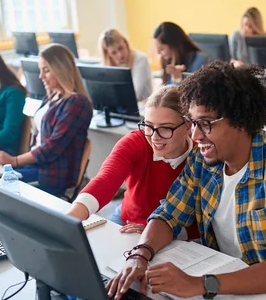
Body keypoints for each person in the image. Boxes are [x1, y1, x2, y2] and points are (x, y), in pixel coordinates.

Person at [105, 61, 266, 300]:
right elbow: (169, 215)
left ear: (240, 121)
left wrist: (201, 284)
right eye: (193, 123)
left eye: (206, 124)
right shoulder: (203, 159)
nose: (196, 136)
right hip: (224, 293)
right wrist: (140, 254)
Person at [67, 85, 197, 239]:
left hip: (175, 232)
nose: (154, 137)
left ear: (188, 126)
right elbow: (105, 180)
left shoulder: (200, 155)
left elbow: (199, 219)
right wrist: (69, 221)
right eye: (148, 125)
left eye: (165, 128)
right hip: (128, 220)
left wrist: (156, 232)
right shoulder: (136, 142)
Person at [0, 44, 93, 196]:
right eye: (40, 70)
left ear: (61, 69)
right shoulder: (53, 96)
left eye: (46, 70)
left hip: (53, 175)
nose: (40, 76)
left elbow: (52, 147)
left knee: (0, 188)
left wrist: (15, 160)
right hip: (37, 167)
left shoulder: (77, 102)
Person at [98, 29, 153, 101]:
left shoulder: (140, 59)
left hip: (143, 107)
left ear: (126, 43)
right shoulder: (107, 65)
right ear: (108, 54)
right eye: (113, 53)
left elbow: (135, 94)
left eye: (120, 48)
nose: (120, 55)